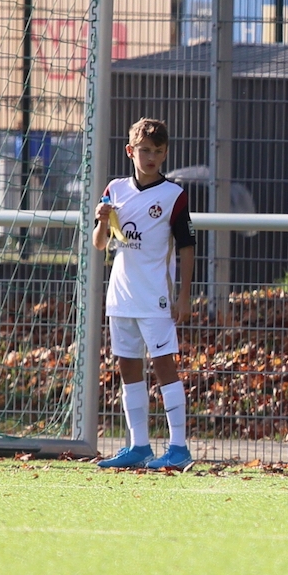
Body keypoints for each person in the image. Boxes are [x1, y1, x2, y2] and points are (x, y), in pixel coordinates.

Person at [94, 118, 197, 470]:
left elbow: (186, 247)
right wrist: (101, 220)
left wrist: (184, 296)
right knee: (128, 368)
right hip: (121, 296)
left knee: (165, 366)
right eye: (145, 150)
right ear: (130, 151)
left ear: (165, 154)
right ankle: (139, 445)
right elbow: (100, 243)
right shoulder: (115, 189)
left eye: (157, 151)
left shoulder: (173, 196)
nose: (151, 157)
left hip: (156, 298)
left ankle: (179, 447)